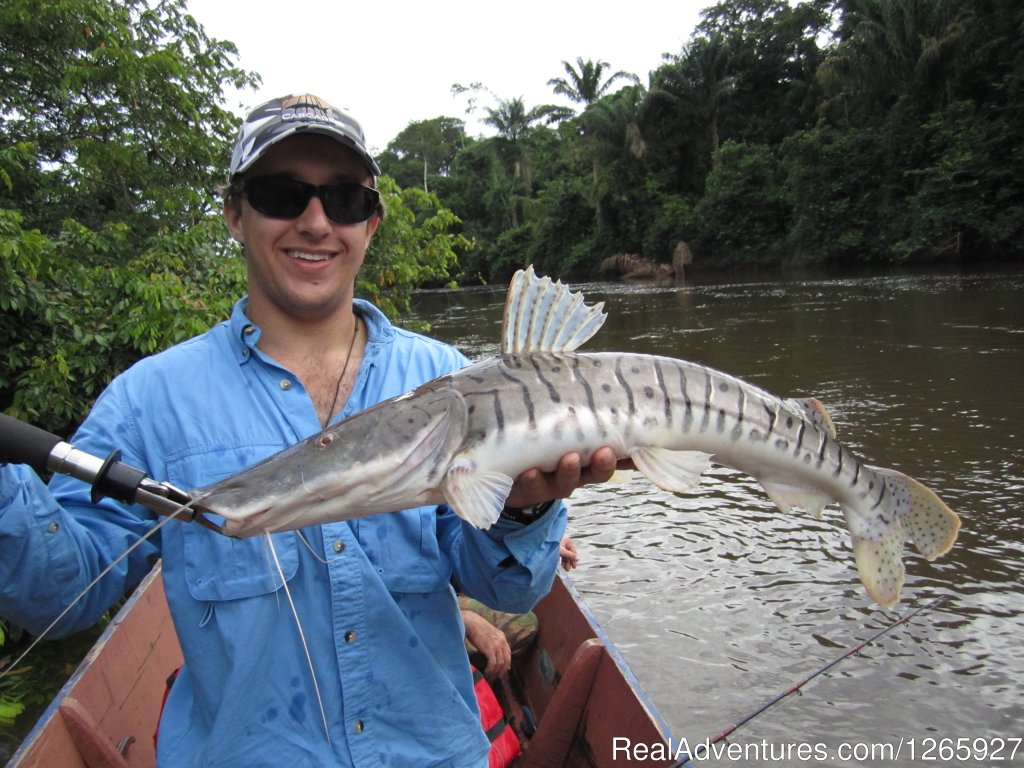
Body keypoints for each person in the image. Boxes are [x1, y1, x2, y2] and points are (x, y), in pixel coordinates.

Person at [0, 93, 620, 767]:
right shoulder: (150, 400)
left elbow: (506, 589)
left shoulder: (451, 378)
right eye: (281, 194)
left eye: (345, 199)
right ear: (235, 214)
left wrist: (526, 510)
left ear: (371, 222)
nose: (316, 222)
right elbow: (56, 593)